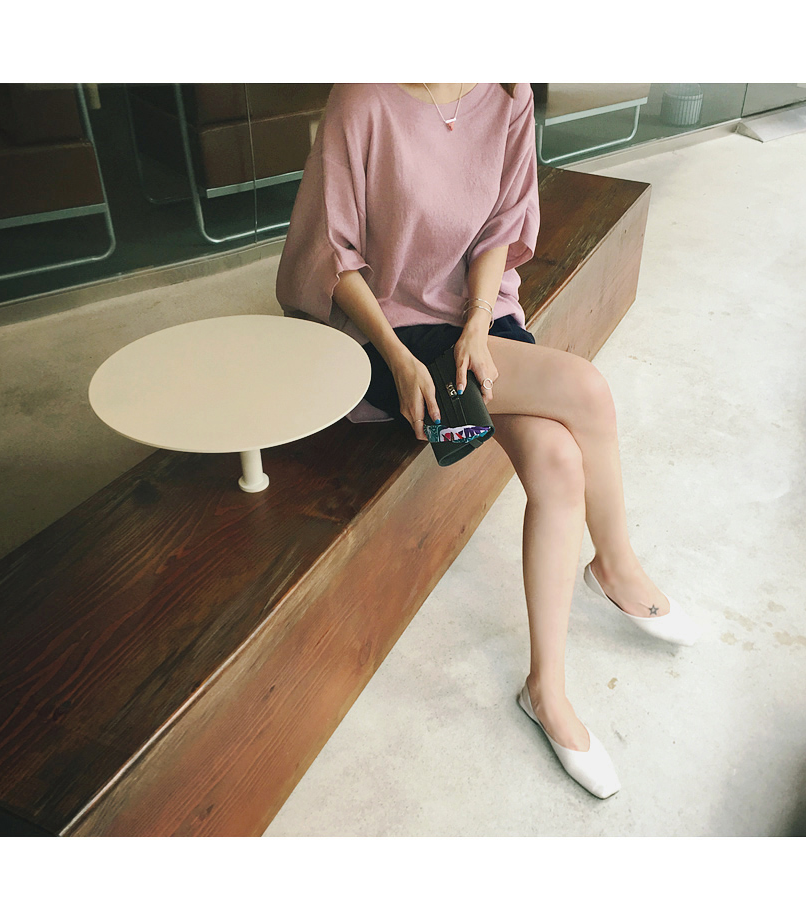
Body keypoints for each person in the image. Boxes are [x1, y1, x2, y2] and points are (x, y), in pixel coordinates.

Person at [276, 83, 701, 800]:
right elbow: (332, 253)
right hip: (389, 329)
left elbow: (502, 224)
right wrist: (398, 358)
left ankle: (546, 691)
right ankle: (617, 567)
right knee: (587, 390)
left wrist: (477, 322)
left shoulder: (506, 92)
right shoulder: (364, 100)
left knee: (559, 461)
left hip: (477, 311)